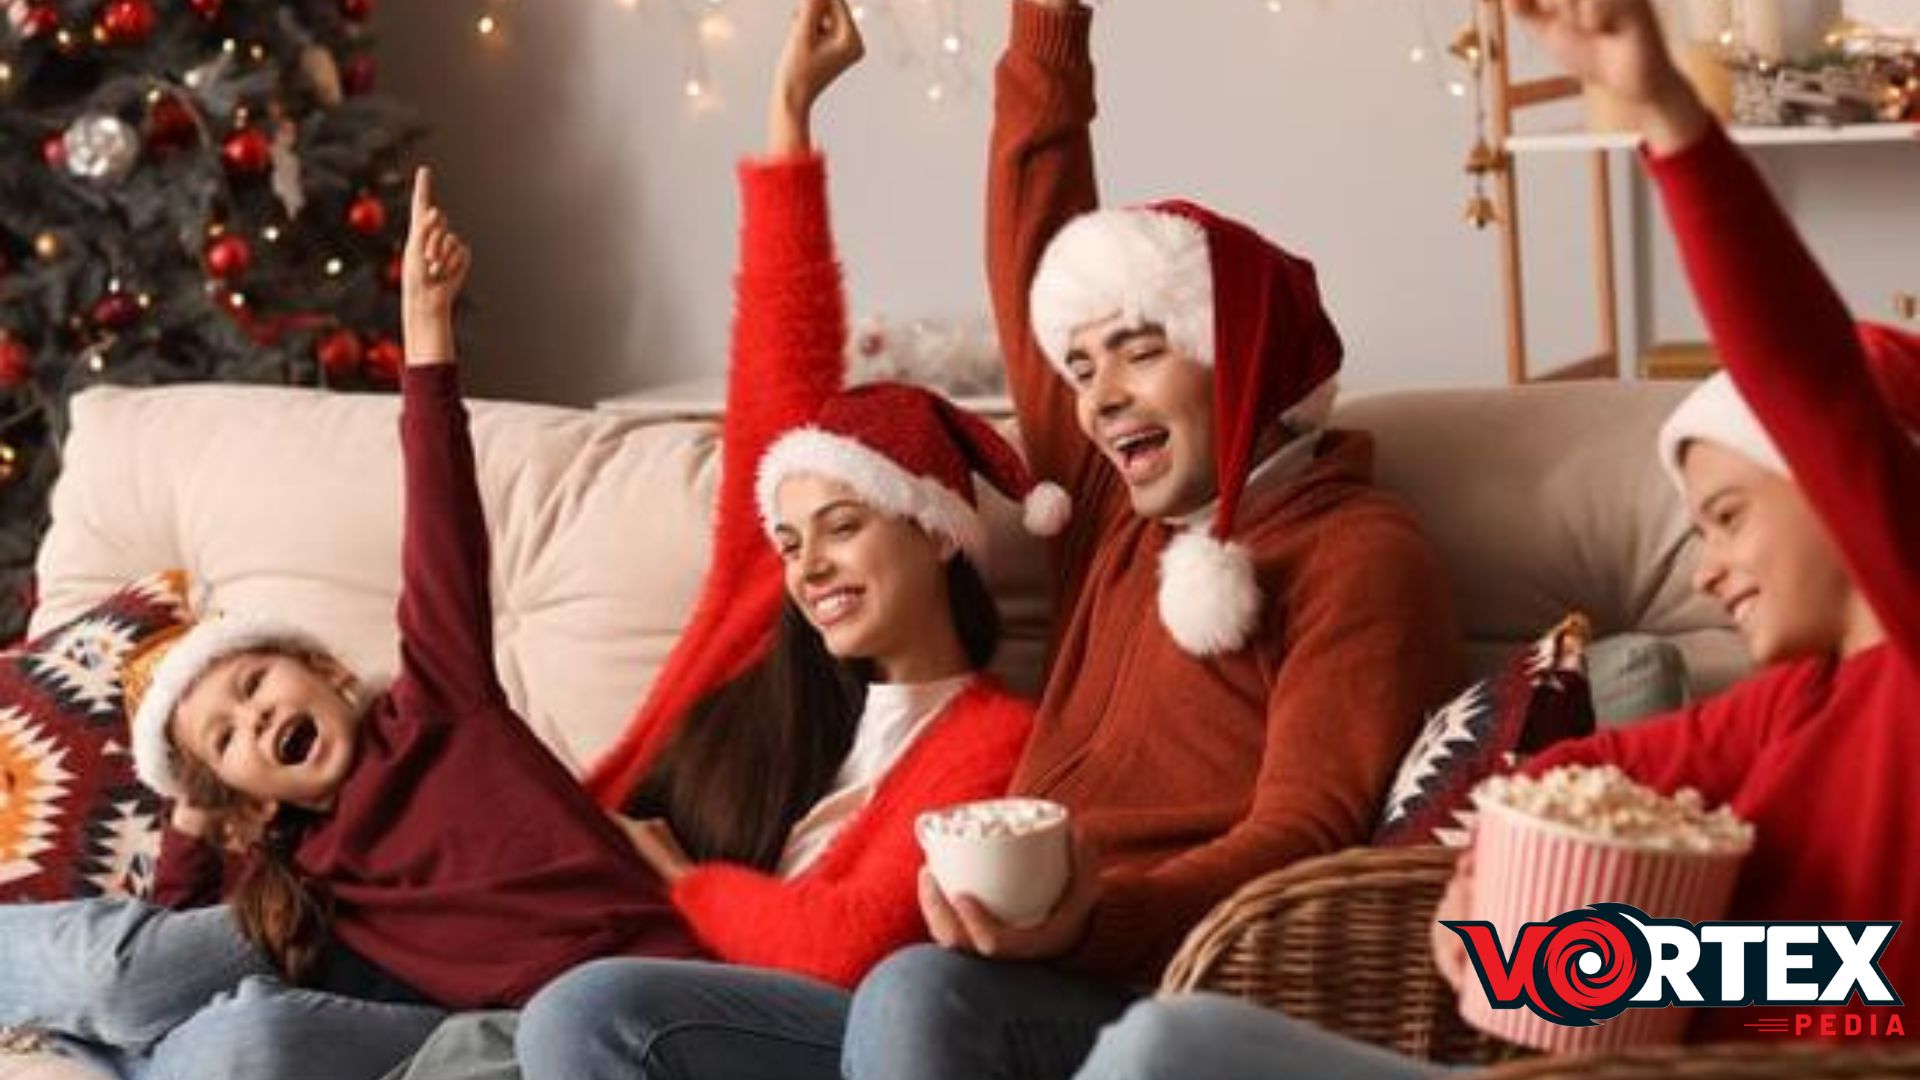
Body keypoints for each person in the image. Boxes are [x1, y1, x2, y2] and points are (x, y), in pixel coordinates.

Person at [1069, 0, 1920, 1074]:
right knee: (1171, 1041)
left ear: (1845, 486)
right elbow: (1579, 778)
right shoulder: (1790, 709)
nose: (1706, 566)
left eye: (1729, 516)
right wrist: (1491, 889)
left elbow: (1857, 986)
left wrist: (1664, 110)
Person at [382, 1, 1045, 1077]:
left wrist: (679, 881)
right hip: (548, 960)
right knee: (255, 1026)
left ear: (935, 535)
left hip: (709, 1019)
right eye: (789, 539)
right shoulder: (765, 628)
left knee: (534, 1030)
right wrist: (786, 113)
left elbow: (847, 948)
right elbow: (779, 369)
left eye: (842, 526)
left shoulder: (990, 740)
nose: (808, 566)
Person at [839, 1, 1466, 1077]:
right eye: (1081, 368)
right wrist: (1046, 26)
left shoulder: (1358, 552)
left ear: (1244, 357)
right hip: (980, 975)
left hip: (1147, 987)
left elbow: (1303, 840)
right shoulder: (1115, 519)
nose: (1098, 398)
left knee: (914, 993)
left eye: (1137, 351)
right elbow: (1032, 241)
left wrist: (1089, 917)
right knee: (604, 1010)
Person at [0, 169, 705, 1080]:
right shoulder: (301, 865)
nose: (253, 717)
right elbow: (175, 929)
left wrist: (426, 334)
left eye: (256, 684)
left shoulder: (439, 710)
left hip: (598, 1008)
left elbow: (442, 530)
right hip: (464, 1028)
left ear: (331, 673)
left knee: (207, 1028)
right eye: (229, 734)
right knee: (208, 1026)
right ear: (251, 797)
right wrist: (194, 815)